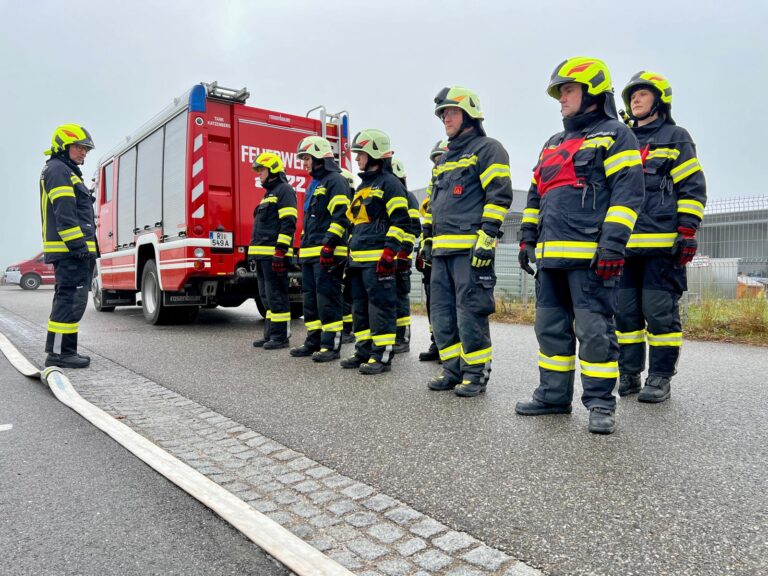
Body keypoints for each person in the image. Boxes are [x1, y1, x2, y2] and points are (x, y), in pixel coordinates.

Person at [515, 57, 645, 434]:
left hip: (590, 258)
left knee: (594, 332)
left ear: (591, 92)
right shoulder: (552, 143)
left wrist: (613, 245)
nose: (561, 99)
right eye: (559, 92)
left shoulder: (616, 134)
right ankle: (553, 396)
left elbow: (628, 193)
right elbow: (537, 196)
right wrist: (526, 239)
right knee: (550, 329)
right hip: (550, 259)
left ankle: (601, 403)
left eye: (567, 90)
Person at [616, 71, 706, 402]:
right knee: (624, 314)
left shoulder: (675, 137)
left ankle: (660, 377)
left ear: (660, 100)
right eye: (632, 95)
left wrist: (687, 231)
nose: (635, 99)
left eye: (642, 94)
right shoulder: (622, 139)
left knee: (658, 312)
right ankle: (628, 373)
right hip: (623, 247)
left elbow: (693, 187)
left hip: (661, 245)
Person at [423, 87, 513, 397]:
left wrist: (488, 235)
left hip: (470, 251)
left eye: (451, 112)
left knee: (469, 313)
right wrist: (428, 240)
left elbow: (499, 194)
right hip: (443, 251)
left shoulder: (489, 149)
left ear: (470, 115)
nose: (445, 118)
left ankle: (475, 372)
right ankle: (451, 370)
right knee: (442, 314)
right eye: (443, 114)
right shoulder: (444, 160)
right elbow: (434, 206)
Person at [341, 129, 410, 374]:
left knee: (380, 307)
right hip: (359, 262)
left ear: (374, 154)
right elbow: (356, 224)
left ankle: (381, 356)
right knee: (359, 308)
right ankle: (363, 351)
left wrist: (389, 253)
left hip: (378, 261)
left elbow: (401, 221)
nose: (357, 158)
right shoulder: (362, 187)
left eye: (360, 154)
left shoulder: (390, 184)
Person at [39, 124, 98, 368]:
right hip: (70, 252)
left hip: (73, 251)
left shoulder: (66, 171)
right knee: (68, 300)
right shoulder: (58, 170)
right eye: (79, 147)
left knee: (72, 300)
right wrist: (77, 246)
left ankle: (64, 351)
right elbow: (64, 213)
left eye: (86, 149)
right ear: (63, 146)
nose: (84, 152)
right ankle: (59, 354)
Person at [290, 136, 350, 362]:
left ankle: (331, 345)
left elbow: (341, 216)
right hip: (310, 252)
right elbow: (310, 221)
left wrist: (329, 245)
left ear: (318, 157)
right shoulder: (315, 184)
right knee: (311, 300)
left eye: (306, 158)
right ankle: (313, 340)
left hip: (328, 252)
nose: (304, 163)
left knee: (328, 299)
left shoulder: (336, 180)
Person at [248, 152, 297, 350]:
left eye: (262, 169)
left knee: (277, 295)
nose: (259, 173)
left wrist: (280, 251)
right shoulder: (268, 194)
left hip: (274, 255)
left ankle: (280, 337)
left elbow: (288, 223)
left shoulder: (284, 190)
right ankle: (270, 334)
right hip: (262, 256)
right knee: (266, 296)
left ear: (273, 170)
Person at [416, 139, 449, 362]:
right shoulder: (431, 196)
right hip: (432, 256)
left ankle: (450, 346)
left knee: (451, 304)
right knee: (433, 302)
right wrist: (421, 248)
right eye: (434, 161)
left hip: (449, 254)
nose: (437, 165)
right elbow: (426, 224)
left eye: (440, 159)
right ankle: (436, 342)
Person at [391, 158, 422, 354]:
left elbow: (413, 227)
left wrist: (404, 252)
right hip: (387, 255)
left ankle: (403, 338)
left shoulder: (408, 197)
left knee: (400, 298)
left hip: (400, 256)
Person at [340, 168, 357, 344]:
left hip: (351, 257)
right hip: (345, 256)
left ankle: (347, 330)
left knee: (347, 295)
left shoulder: (353, 207)